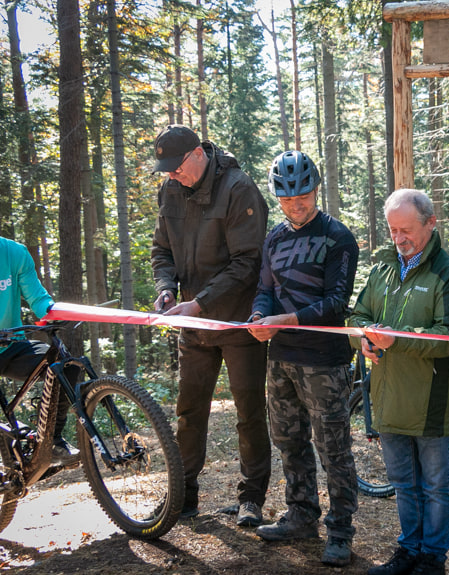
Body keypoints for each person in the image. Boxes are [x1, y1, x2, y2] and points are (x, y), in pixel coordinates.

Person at [150, 124, 271, 527]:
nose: (171, 174)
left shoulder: (239, 188)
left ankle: (251, 498)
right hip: (193, 322)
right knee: (189, 410)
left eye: (176, 166)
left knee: (249, 411)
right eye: (166, 168)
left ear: (198, 154)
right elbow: (161, 249)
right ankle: (184, 496)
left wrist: (200, 303)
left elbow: (247, 262)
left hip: (238, 322)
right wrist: (167, 288)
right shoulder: (169, 190)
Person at [347, 189, 449, 575]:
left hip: (431, 400)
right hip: (387, 396)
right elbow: (356, 317)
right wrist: (362, 338)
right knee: (403, 481)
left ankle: (432, 558)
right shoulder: (382, 269)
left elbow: (448, 336)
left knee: (436, 483)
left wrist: (395, 339)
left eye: (407, 229)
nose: (399, 238)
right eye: (393, 230)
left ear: (431, 223)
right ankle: (408, 551)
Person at [246, 151, 360, 566]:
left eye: (305, 196)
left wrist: (285, 319)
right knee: (289, 442)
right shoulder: (274, 238)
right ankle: (300, 514)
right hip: (281, 359)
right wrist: (259, 315)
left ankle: (342, 528)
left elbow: (336, 303)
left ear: (316, 190)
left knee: (333, 448)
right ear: (278, 197)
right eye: (288, 199)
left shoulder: (338, 237)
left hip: (325, 363)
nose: (297, 205)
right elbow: (264, 288)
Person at [0, 237, 79, 466]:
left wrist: (55, 312)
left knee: (66, 366)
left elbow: (38, 298)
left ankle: (51, 441)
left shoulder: (14, 253)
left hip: (12, 345)